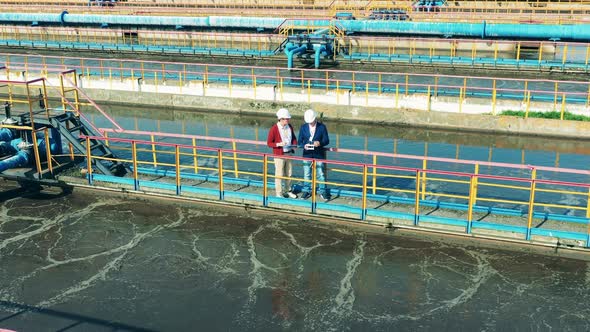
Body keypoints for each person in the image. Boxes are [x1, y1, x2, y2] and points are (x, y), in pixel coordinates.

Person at [298, 109, 331, 201]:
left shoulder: (322, 127)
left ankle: (322, 191)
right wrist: (304, 145)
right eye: (309, 122)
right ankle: (306, 191)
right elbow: (299, 141)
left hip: (318, 154)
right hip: (307, 154)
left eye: (312, 121)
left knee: (320, 174)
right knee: (307, 174)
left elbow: (327, 140)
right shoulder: (303, 127)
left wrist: (319, 143)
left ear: (315, 119)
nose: (311, 123)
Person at [267, 108, 298, 198]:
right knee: (279, 174)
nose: (288, 120)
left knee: (289, 173)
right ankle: (279, 193)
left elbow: (294, 138)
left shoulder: (290, 127)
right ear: (280, 119)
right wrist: (278, 144)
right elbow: (269, 143)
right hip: (279, 155)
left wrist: (294, 146)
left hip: (289, 153)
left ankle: (288, 190)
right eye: (286, 119)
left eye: (288, 119)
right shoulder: (274, 129)